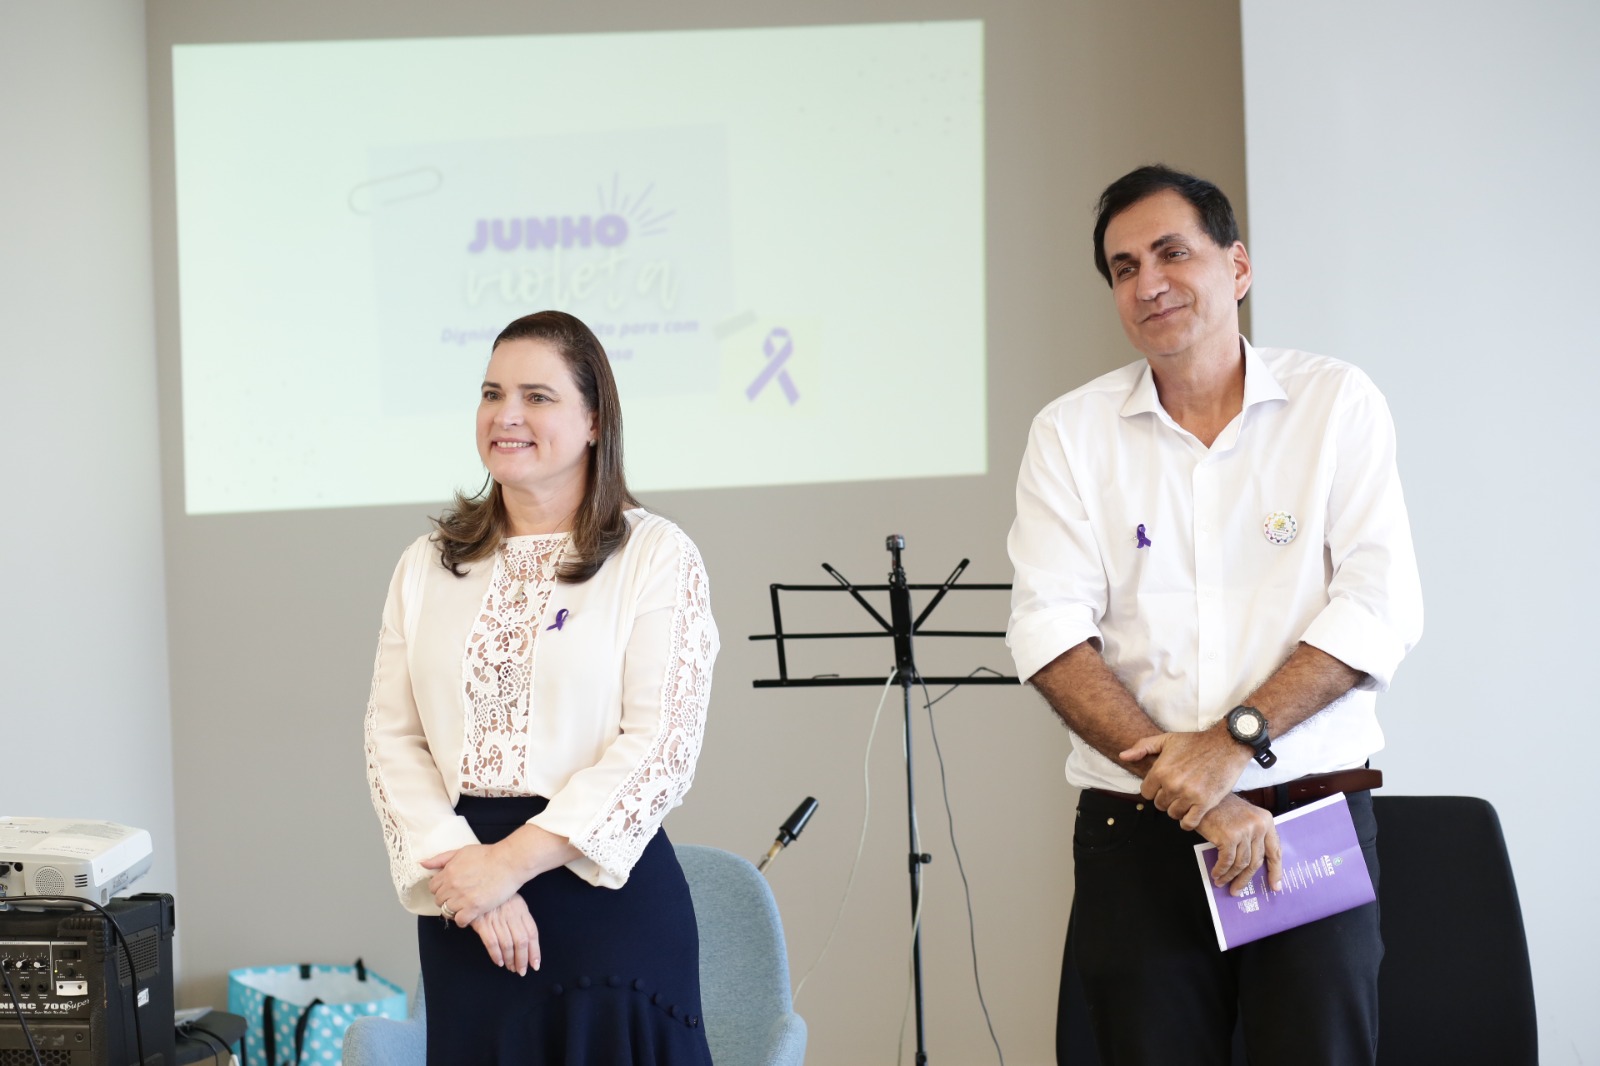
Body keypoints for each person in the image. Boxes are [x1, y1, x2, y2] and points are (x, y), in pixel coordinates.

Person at [1006, 165, 1423, 1066]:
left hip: (1303, 818)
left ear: (1237, 266)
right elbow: (1048, 633)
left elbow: (1377, 603)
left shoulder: (1334, 403)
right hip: (1135, 830)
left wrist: (1232, 746)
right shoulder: (1069, 433)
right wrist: (1196, 793)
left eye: (1171, 253)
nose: (1147, 283)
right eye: (1123, 268)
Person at [363, 310, 718, 1064]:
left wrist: (509, 864)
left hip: (605, 903)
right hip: (465, 905)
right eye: (492, 393)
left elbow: (661, 746)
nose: (507, 415)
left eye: (538, 396)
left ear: (594, 422)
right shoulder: (425, 564)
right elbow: (392, 739)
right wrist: (472, 874)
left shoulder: (655, 555)